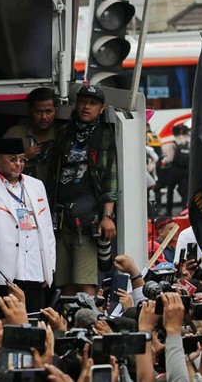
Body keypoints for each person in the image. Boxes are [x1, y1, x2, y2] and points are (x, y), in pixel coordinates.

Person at [48, 84, 117, 296]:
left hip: (87, 219)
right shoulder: (64, 133)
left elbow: (110, 177)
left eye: (93, 103)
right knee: (63, 281)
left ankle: (88, 324)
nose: (86, 107)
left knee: (85, 282)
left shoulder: (105, 135)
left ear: (102, 108)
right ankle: (66, 324)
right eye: (83, 101)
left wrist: (107, 215)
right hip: (60, 217)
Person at [0, 138, 55, 312]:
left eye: (22, 159)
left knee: (34, 326)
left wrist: (49, 266)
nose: (18, 164)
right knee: (1, 328)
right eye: (12, 159)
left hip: (34, 269)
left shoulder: (36, 185)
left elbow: (48, 229)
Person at [3, 87, 57, 185]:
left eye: (48, 112)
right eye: (38, 112)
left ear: (55, 111)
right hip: (16, 192)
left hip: (49, 194)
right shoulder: (14, 134)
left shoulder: (61, 135)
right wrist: (23, 156)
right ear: (30, 111)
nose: (44, 117)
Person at [161, 124, 190, 216]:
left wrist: (163, 160)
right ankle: (184, 210)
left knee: (170, 191)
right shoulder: (187, 142)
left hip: (175, 171)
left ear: (173, 133)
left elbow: (170, 158)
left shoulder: (173, 144)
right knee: (185, 191)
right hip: (185, 171)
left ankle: (169, 211)